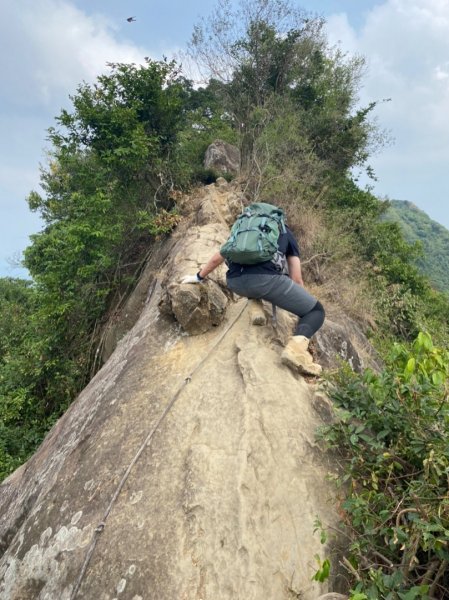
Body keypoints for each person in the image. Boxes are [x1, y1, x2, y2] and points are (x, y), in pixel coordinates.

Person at [181, 216, 324, 376]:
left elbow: (218, 258)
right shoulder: (286, 233)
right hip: (266, 282)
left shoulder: (243, 231)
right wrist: (299, 303)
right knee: (316, 311)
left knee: (253, 276)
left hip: (235, 283)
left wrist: (198, 277)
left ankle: (255, 307)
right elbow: (296, 279)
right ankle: (295, 351)